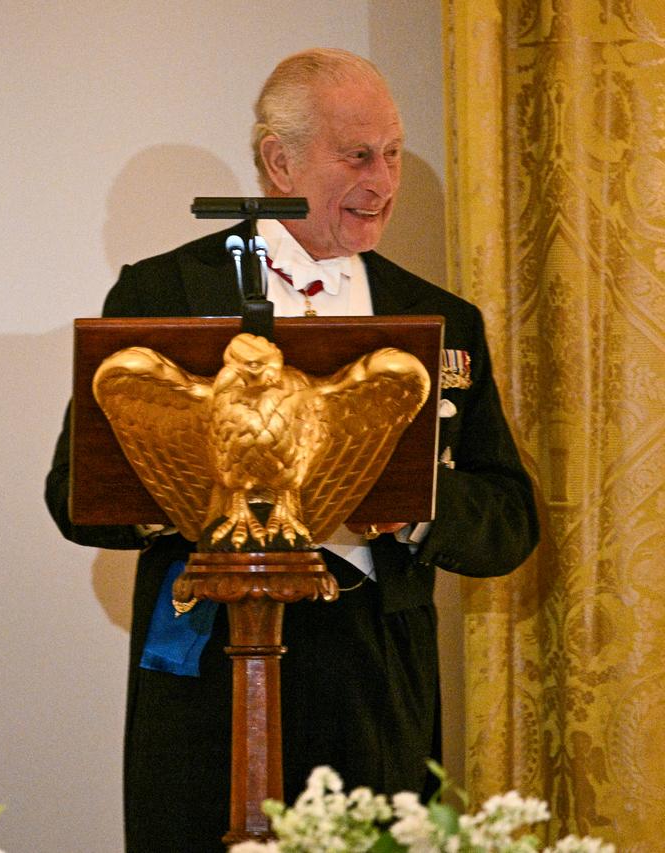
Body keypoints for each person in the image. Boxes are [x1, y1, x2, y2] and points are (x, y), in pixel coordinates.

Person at [44, 48, 538, 852]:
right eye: (356, 156)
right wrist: (191, 493)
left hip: (374, 665)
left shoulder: (442, 317)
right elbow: (74, 492)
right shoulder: (164, 294)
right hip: (206, 659)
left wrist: (407, 507)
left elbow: (510, 521)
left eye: (391, 154)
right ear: (279, 160)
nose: (382, 180)